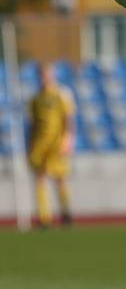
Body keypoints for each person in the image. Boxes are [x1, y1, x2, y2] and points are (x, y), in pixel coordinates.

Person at [27, 62, 75, 227]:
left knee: (60, 178)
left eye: (47, 74)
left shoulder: (62, 94)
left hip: (57, 142)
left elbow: (68, 118)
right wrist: (31, 144)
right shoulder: (36, 98)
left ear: (52, 74)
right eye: (41, 74)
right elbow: (33, 124)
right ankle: (44, 217)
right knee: (40, 178)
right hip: (41, 144)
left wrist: (68, 138)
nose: (44, 77)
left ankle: (66, 213)